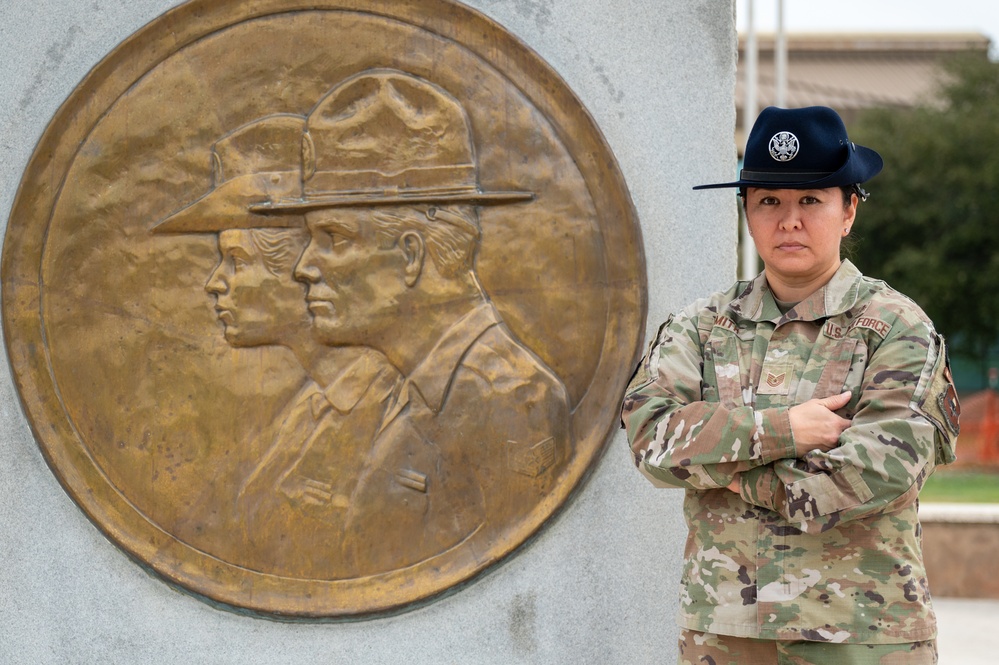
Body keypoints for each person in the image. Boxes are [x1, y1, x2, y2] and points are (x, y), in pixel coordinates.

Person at [621, 106, 960, 665]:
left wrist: (733, 476)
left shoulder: (896, 327)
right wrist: (780, 431)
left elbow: (882, 467)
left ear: (849, 210)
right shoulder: (702, 327)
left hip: (860, 633)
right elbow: (651, 440)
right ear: (747, 213)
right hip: (726, 633)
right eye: (769, 201)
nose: (789, 221)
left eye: (811, 200)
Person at [254, 69, 573, 576]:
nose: (304, 265)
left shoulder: (511, 402)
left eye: (333, 238)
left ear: (410, 255)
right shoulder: (406, 389)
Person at [153, 114, 399, 579]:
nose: (214, 283)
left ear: (301, 266)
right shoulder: (311, 406)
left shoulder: (394, 408)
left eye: (236, 261)